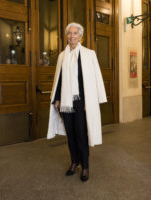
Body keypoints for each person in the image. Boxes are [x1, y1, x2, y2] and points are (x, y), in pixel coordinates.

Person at [47, 23, 107, 182]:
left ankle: (85, 166)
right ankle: (74, 162)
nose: (72, 36)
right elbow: (59, 79)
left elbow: (94, 79)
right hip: (66, 103)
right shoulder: (62, 56)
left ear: (80, 36)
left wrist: (91, 100)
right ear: (67, 36)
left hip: (81, 102)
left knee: (81, 134)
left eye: (75, 33)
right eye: (69, 33)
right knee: (70, 135)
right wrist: (57, 98)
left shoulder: (89, 54)